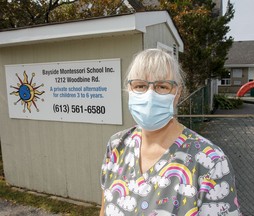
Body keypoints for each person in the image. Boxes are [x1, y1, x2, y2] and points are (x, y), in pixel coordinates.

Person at [100, 49, 242, 215]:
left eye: (162, 86)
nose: (150, 95)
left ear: (177, 93)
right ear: (129, 90)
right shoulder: (116, 146)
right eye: (140, 85)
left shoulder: (210, 162)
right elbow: (104, 208)